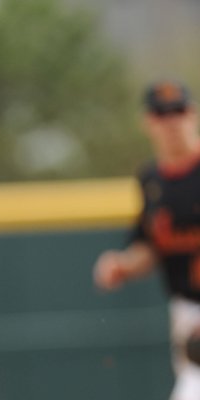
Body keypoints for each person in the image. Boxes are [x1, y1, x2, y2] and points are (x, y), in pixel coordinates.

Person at [93, 79, 200, 400]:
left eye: (178, 112)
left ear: (192, 114)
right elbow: (151, 243)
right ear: (148, 122)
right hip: (185, 311)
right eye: (162, 114)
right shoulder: (152, 179)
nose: (172, 122)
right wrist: (123, 265)